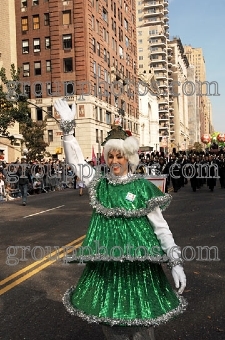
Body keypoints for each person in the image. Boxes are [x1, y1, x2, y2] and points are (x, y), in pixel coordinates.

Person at [54, 99, 187, 340]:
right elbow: (76, 163)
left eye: (120, 156)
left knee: (142, 329)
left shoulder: (143, 188)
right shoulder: (99, 184)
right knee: (112, 328)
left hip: (140, 273)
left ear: (129, 158)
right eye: (110, 156)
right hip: (109, 272)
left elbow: (161, 228)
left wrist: (175, 261)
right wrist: (67, 132)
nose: (114, 161)